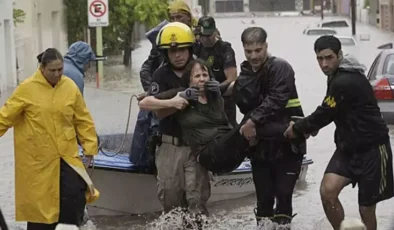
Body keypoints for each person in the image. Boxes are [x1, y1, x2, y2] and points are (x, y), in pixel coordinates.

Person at [284, 35, 394, 230]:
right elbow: (332, 110)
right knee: (328, 191)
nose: (324, 64)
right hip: (347, 149)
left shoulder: (345, 80)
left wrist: (298, 129)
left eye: (329, 58)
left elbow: (325, 113)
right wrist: (312, 126)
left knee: (366, 209)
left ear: (339, 55)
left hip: (373, 150)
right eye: (320, 59)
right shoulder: (336, 76)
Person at [0, 48, 99, 230]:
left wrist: (90, 148)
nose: (57, 74)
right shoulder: (26, 89)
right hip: (38, 161)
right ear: (42, 68)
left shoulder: (69, 87)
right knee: (41, 212)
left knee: (74, 198)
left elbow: (83, 120)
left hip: (66, 157)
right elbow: (4, 118)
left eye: (60, 69)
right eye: (52, 70)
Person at [138, 22, 211, 224]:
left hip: (196, 146)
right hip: (170, 146)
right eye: (172, 51)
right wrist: (175, 102)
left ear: (190, 50)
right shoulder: (160, 75)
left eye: (181, 50)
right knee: (170, 202)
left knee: (197, 203)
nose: (177, 55)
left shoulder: (201, 70)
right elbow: (151, 106)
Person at [234, 27, 306, 229]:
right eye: (249, 52)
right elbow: (242, 104)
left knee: (283, 197)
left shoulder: (281, 67)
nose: (254, 56)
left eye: (258, 50)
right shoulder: (246, 74)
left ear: (266, 46)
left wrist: (253, 121)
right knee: (264, 200)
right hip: (260, 147)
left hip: (288, 144)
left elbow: (276, 99)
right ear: (244, 50)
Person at [130, 0, 198, 166]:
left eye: (179, 17)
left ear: (188, 18)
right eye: (172, 17)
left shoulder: (200, 38)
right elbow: (146, 67)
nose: (176, 21)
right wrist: (152, 92)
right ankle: (146, 162)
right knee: (148, 121)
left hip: (193, 102)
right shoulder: (164, 37)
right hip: (164, 90)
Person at [194, 16, 238, 127]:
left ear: (214, 32)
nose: (206, 39)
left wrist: (218, 87)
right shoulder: (196, 47)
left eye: (209, 35)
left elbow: (232, 78)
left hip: (223, 97)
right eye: (203, 36)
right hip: (202, 96)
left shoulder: (225, 49)